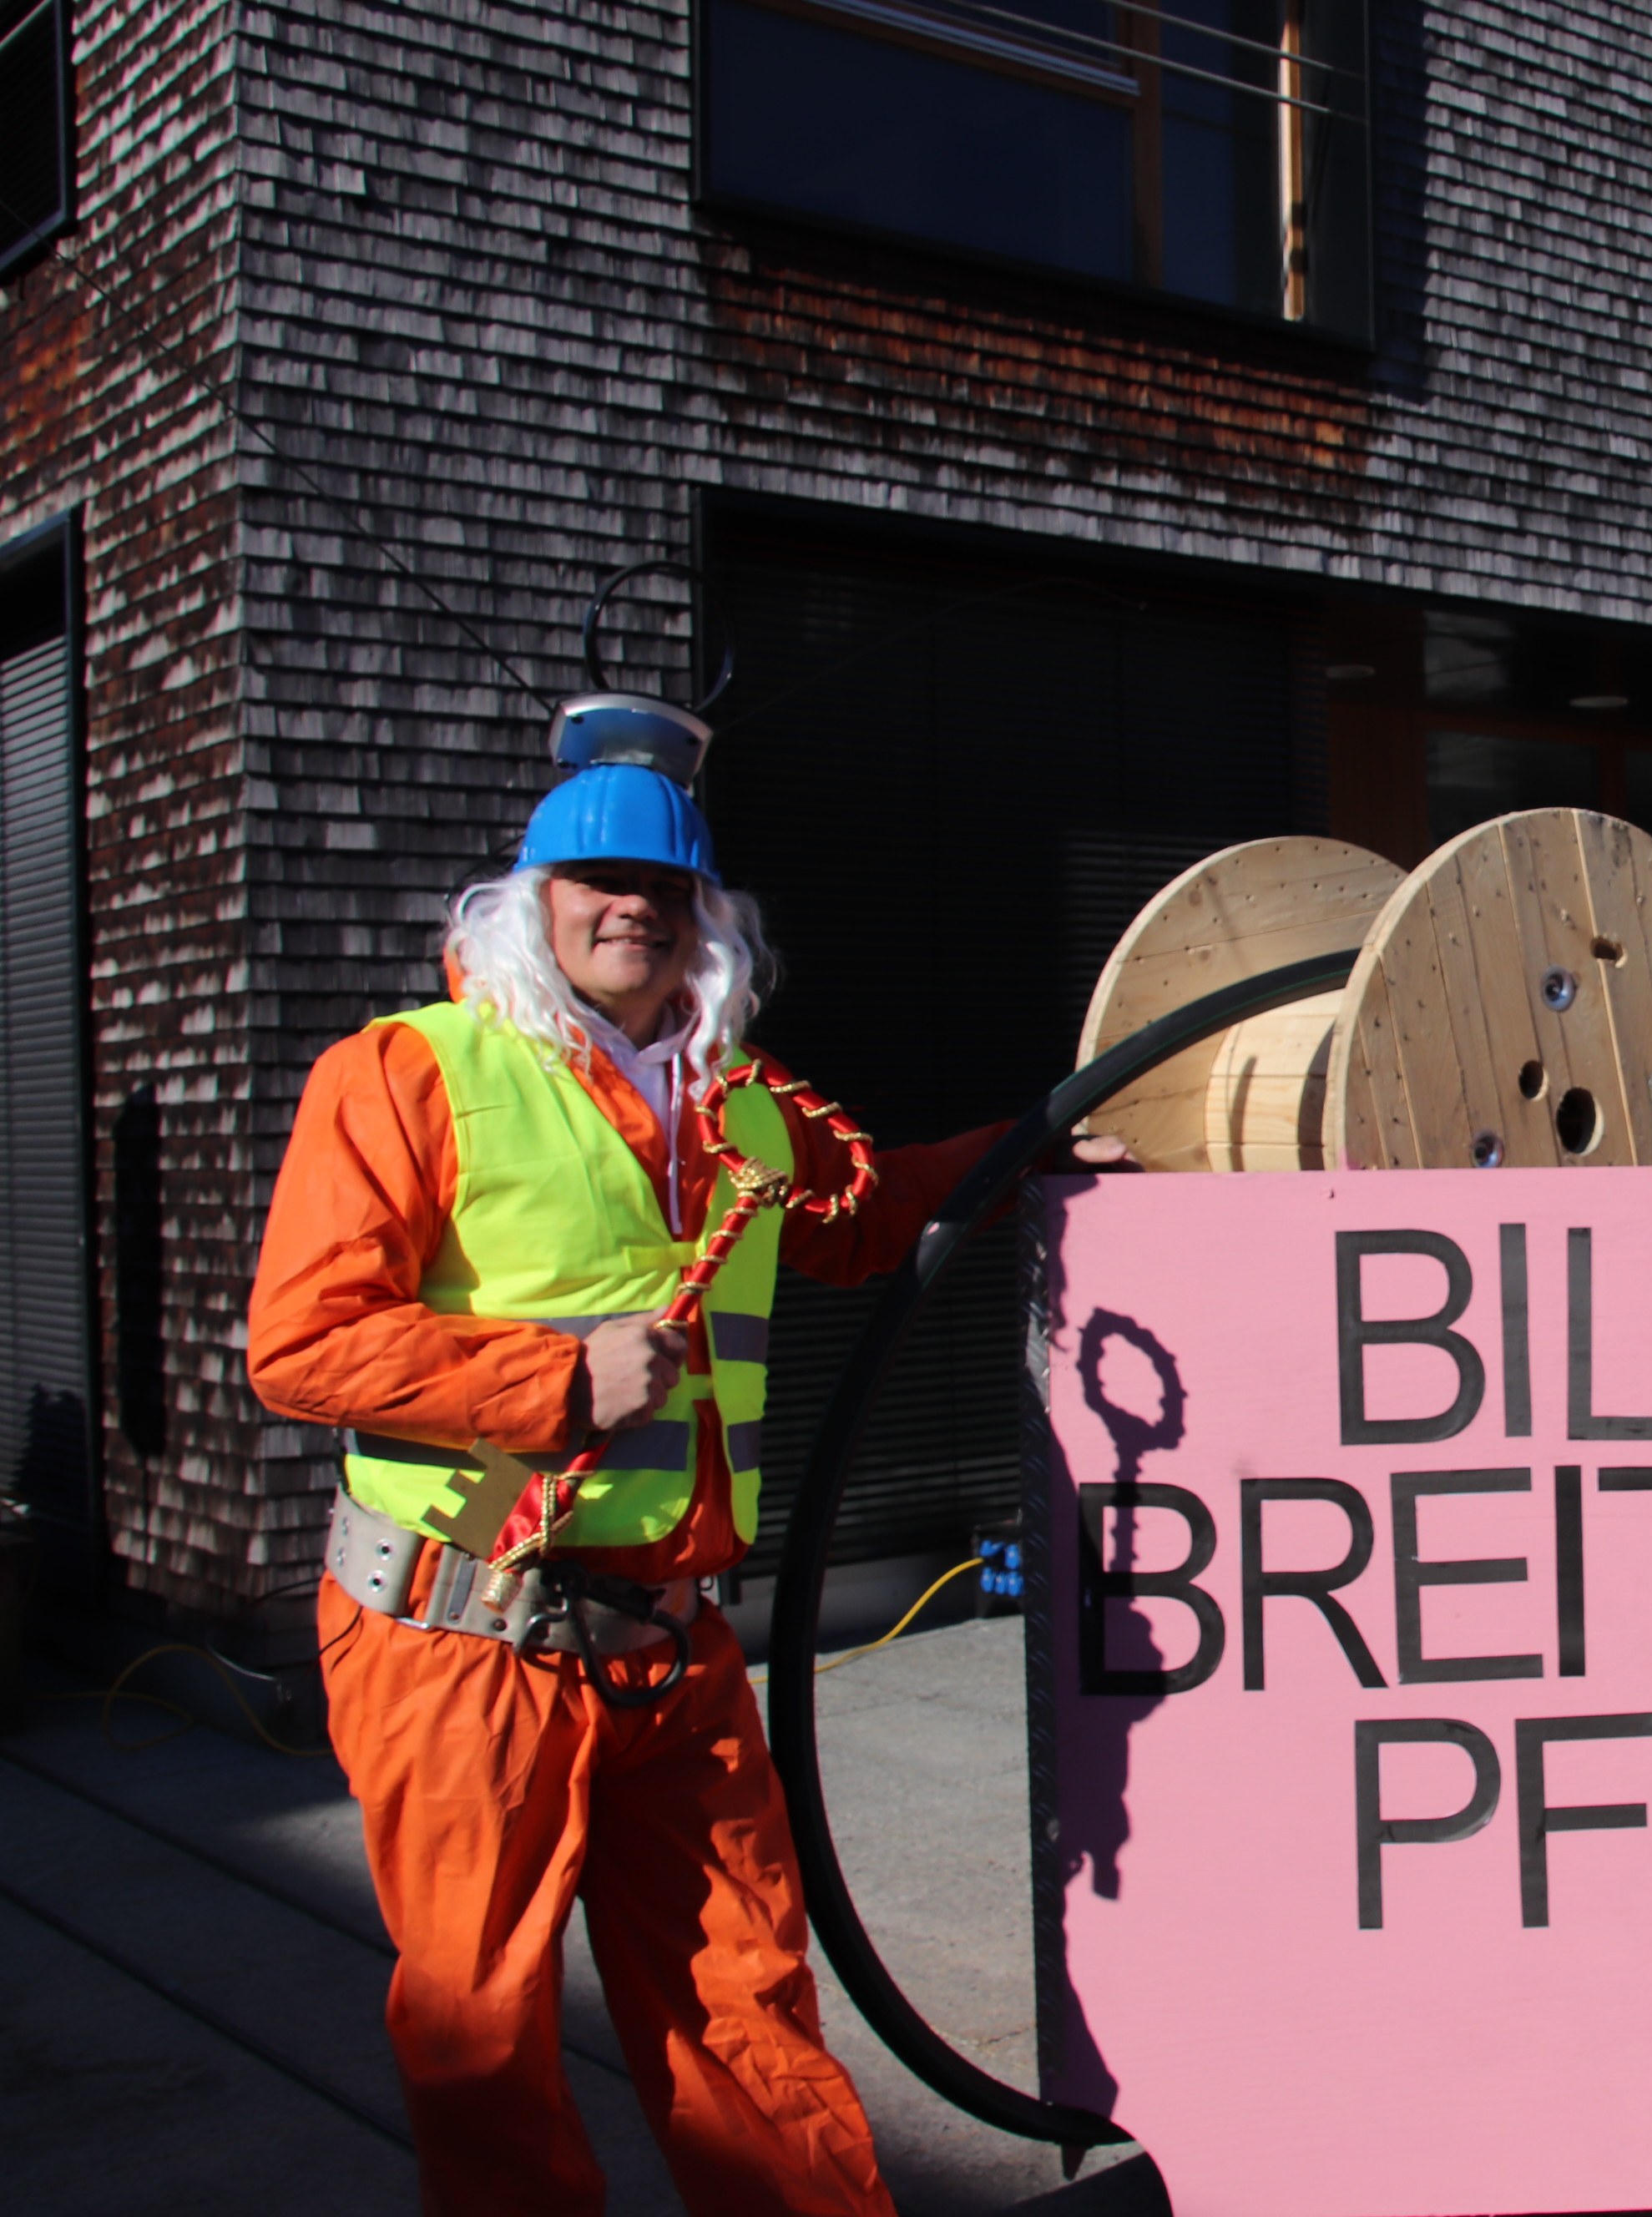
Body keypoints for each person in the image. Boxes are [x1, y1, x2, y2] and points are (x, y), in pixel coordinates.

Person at [250, 694, 1127, 2216]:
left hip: (670, 1646)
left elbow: (868, 1216)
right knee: (483, 2038)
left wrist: (1032, 1152)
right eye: (600, 882)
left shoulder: (742, 1105)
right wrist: (551, 1381)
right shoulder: (407, 1074)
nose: (632, 910)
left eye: (664, 887)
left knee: (746, 2010)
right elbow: (303, 1343)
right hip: (465, 1643)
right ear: (534, 900)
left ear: (704, 916)